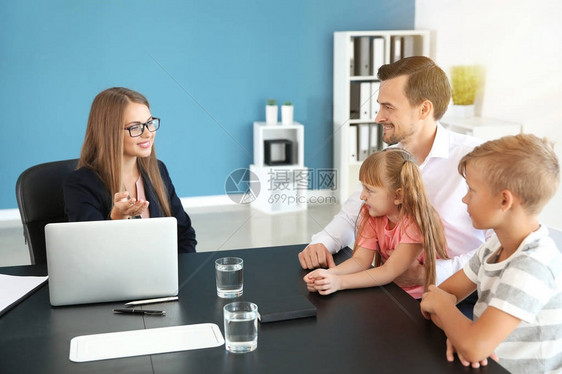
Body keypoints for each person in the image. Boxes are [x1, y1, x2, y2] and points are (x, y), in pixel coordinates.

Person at [299, 56, 485, 288]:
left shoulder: (475, 159)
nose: (378, 117)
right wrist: (323, 243)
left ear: (424, 109)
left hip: (459, 293)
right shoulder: (389, 160)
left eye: (388, 107)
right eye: (379, 105)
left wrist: (435, 273)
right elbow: (353, 213)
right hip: (396, 288)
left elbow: (499, 246)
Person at [420, 134, 562, 373]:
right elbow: (433, 298)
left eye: (471, 190)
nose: (464, 199)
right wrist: (461, 334)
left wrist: (464, 334)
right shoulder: (493, 247)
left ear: (504, 200)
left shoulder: (532, 265)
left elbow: (472, 345)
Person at [63, 87, 197, 253]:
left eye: (149, 123)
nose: (148, 133)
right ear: (109, 133)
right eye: (135, 127)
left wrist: (185, 275)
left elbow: (184, 235)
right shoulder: (81, 184)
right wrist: (117, 218)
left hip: (164, 274)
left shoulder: (158, 170)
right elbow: (92, 253)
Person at [304, 148, 449, 299]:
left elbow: (388, 271)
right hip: (389, 290)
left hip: (419, 300)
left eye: (369, 190)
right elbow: (361, 261)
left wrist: (339, 282)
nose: (362, 196)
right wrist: (328, 274)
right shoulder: (371, 214)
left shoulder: (416, 223)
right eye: (363, 187)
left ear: (398, 196)